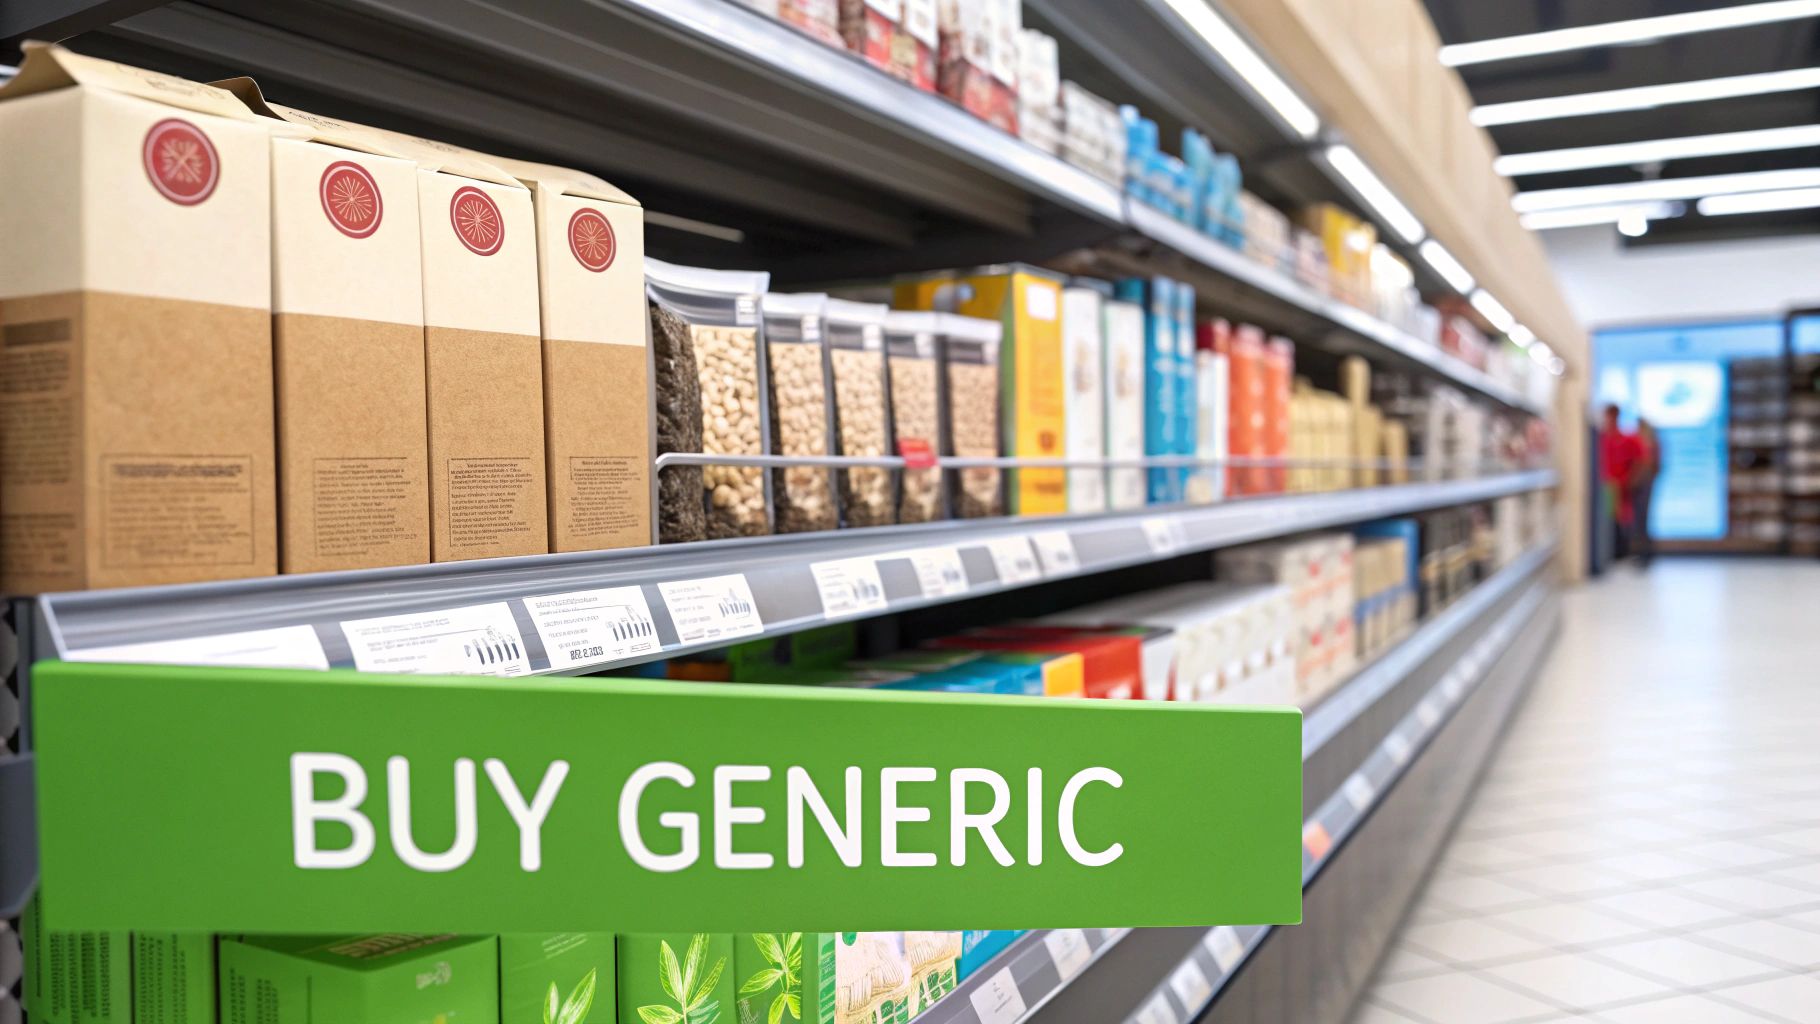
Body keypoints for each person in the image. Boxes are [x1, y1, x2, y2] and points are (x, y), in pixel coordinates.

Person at [1598, 404, 1641, 560]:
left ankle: (1621, 551)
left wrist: (1631, 479)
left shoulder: (1626, 438)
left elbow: (1640, 459)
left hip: (1620, 486)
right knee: (1609, 518)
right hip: (1605, 486)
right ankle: (1611, 551)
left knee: (1622, 518)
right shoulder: (1602, 438)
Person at [1630, 419, 1661, 566]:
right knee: (1639, 521)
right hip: (1640, 486)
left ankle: (1646, 554)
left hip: (1644, 485)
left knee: (1643, 520)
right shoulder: (1641, 443)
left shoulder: (1649, 444)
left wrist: (1639, 478)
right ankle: (1642, 553)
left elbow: (1652, 465)